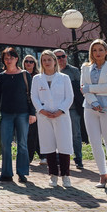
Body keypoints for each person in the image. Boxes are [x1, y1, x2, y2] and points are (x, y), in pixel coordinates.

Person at [31, 50, 75, 187]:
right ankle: (53, 175)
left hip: (61, 115)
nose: (46, 62)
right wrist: (42, 111)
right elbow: (34, 97)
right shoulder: (37, 79)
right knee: (48, 145)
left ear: (55, 61)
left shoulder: (64, 78)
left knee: (64, 145)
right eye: (44, 60)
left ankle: (66, 175)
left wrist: (60, 111)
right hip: (44, 116)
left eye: (49, 59)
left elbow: (69, 97)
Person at [81, 39, 107, 189]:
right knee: (94, 142)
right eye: (94, 50)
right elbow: (83, 88)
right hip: (90, 107)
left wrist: (89, 88)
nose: (97, 53)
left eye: (100, 49)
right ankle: (102, 174)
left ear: (106, 51)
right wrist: (94, 102)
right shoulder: (85, 67)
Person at [0, 47, 35, 183]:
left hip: (23, 114)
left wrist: (32, 113)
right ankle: (6, 174)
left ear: (16, 59)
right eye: (6, 58)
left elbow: (31, 95)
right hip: (6, 114)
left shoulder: (25, 75)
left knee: (22, 144)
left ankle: (22, 173)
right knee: (5, 144)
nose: (9, 60)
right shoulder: (0, 77)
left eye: (11, 58)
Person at [55, 49, 84, 170]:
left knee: (76, 134)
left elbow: (80, 90)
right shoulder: (51, 72)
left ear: (66, 57)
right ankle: (58, 158)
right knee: (57, 134)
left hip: (72, 108)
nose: (61, 59)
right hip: (56, 109)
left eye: (63, 56)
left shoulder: (74, 71)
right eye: (58, 57)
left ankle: (78, 158)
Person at [23, 55, 45, 166]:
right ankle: (33, 156)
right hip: (24, 107)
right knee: (29, 133)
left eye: (31, 61)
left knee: (36, 132)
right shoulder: (20, 75)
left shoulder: (39, 76)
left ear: (34, 63)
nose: (28, 63)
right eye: (26, 61)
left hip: (37, 107)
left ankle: (39, 156)